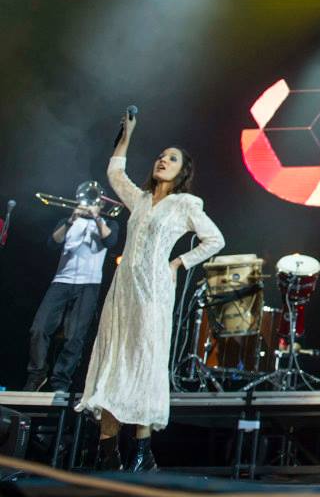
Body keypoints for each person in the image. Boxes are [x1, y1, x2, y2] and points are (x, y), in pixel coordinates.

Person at [75, 111, 225, 472]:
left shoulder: (185, 205)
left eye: (172, 159)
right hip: (124, 289)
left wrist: (178, 264)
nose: (163, 160)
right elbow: (115, 174)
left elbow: (215, 239)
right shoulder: (140, 199)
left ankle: (142, 453)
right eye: (161, 156)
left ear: (182, 171)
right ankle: (107, 451)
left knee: (145, 359)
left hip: (154, 290)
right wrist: (127, 136)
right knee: (114, 358)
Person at [24, 193, 119, 392]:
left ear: (101, 205)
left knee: (75, 336)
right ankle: (37, 373)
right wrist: (71, 220)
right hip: (61, 281)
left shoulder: (109, 223)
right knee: (39, 329)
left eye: (94, 201)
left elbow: (111, 241)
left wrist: (97, 218)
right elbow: (52, 243)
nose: (89, 204)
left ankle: (61, 381)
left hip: (89, 284)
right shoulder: (67, 221)